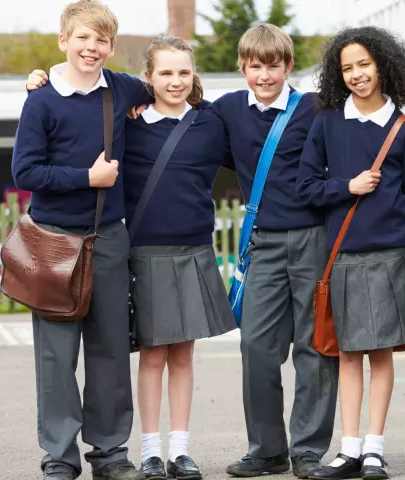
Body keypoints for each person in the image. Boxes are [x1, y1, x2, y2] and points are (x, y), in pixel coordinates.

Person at [206, 24, 405, 479]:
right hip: (263, 241)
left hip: (316, 239)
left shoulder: (315, 108)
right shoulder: (227, 109)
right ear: (242, 67)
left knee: (317, 347)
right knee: (257, 346)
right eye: (255, 66)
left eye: (273, 65)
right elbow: (178, 110)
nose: (264, 75)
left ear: (289, 66)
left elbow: (376, 124)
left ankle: (308, 450)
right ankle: (266, 449)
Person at [11, 1, 152, 479]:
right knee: (56, 357)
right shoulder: (41, 99)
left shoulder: (124, 88)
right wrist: (86, 177)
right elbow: (25, 171)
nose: (92, 48)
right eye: (83, 38)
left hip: (109, 239)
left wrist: (181, 86)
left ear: (111, 47)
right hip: (52, 244)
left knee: (111, 351)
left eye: (102, 40)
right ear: (63, 41)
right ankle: (59, 457)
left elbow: (169, 89)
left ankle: (111, 455)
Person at [295, 26, 405, 480]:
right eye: (347, 68)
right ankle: (348, 448)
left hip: (388, 256)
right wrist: (345, 187)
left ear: (383, 66)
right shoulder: (327, 123)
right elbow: (306, 186)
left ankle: (374, 448)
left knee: (382, 354)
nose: (356, 75)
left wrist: (390, 226)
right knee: (348, 353)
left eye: (364, 65)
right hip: (343, 256)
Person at [123, 34, 237, 480]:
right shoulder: (129, 123)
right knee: (152, 355)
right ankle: (150, 451)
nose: (175, 81)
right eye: (165, 73)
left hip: (194, 250)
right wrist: (41, 78)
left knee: (184, 355)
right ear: (148, 77)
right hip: (145, 252)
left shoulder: (210, 123)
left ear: (195, 77)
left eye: (184, 72)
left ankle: (180, 450)